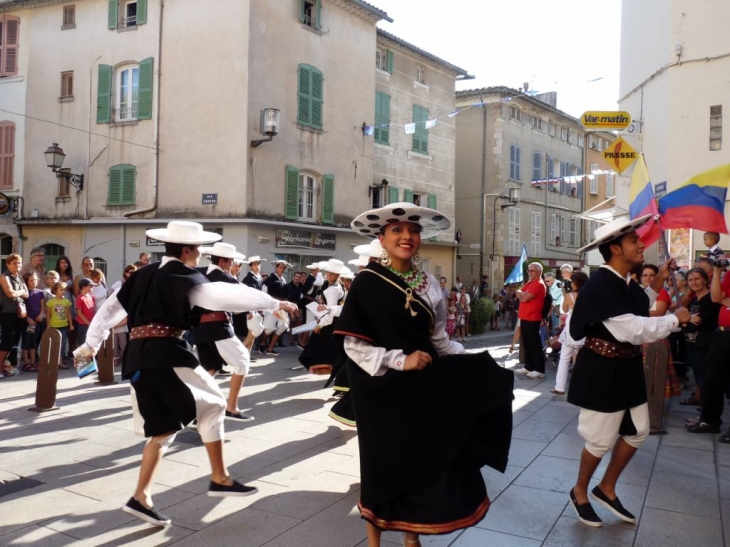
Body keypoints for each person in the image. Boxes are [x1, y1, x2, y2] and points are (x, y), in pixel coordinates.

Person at [74, 221, 298, 527]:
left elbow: (109, 312)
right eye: (199, 248)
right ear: (187, 249)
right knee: (215, 404)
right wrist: (274, 302)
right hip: (165, 352)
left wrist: (90, 346)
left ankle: (141, 497)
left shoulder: (141, 275)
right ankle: (220, 477)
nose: (201, 253)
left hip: (137, 359)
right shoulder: (183, 274)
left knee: (163, 430)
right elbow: (218, 295)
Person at [333, 202, 514, 546]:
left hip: (421, 387)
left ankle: (411, 537)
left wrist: (472, 362)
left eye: (413, 230)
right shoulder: (367, 282)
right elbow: (354, 346)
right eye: (397, 231)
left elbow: (438, 340)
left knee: (420, 459)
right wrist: (401, 361)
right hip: (381, 388)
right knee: (381, 464)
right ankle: (374, 542)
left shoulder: (430, 284)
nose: (406, 236)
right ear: (382, 239)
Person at [567, 215, 690, 528]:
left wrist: (660, 278)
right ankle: (580, 491)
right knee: (599, 440)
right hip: (602, 372)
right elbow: (634, 328)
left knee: (638, 432)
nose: (641, 243)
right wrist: (676, 319)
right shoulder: (600, 285)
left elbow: (638, 302)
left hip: (626, 368)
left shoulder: (622, 282)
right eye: (634, 240)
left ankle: (605, 487)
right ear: (615, 249)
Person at [193, 242, 256, 421]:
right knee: (243, 361)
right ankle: (232, 407)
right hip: (217, 325)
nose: (233, 264)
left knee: (209, 369)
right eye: (231, 261)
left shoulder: (200, 271)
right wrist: (275, 305)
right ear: (222, 261)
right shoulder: (224, 278)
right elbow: (247, 296)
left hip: (200, 328)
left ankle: (197, 413)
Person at [686, 254, 730, 437]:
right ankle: (710, 420)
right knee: (711, 380)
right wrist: (719, 271)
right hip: (721, 333)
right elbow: (716, 297)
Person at [679, 268, 720, 409]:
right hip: (692, 343)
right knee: (697, 375)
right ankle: (698, 397)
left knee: (705, 378)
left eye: (697, 278)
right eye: (690, 279)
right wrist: (686, 320)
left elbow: (696, 323)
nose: (694, 282)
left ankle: (706, 409)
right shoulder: (694, 300)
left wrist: (683, 322)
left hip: (705, 343)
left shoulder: (710, 299)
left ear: (705, 280)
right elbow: (686, 319)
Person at [299, 259, 346, 375]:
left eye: (332, 273)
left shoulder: (332, 290)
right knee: (331, 350)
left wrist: (320, 325)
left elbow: (329, 312)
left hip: (330, 324)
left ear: (338, 275)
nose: (329, 275)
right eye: (328, 272)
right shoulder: (338, 286)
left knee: (319, 349)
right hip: (335, 322)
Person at [551, 271, 588, 395]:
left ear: (575, 282)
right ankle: (581, 387)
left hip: (572, 326)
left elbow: (564, 309)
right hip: (586, 325)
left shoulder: (569, 296)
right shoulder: (590, 294)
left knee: (564, 358)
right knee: (584, 359)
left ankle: (560, 387)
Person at [514, 263, 547, 379]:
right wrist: (522, 294)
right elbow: (518, 292)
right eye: (528, 270)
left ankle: (539, 369)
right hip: (525, 317)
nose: (529, 272)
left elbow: (525, 297)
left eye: (531, 270)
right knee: (527, 343)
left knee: (535, 344)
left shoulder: (538, 284)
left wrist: (523, 295)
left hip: (533, 317)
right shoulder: (530, 283)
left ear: (538, 272)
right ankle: (529, 366)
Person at [260, 260, 292, 355]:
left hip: (282, 306)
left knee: (283, 325)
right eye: (280, 267)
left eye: (283, 268)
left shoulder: (284, 280)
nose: (281, 270)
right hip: (271, 305)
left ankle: (271, 347)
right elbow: (263, 293)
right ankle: (262, 343)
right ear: (276, 268)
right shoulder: (270, 279)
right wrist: (263, 307)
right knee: (269, 327)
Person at [110, 265, 136, 366]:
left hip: (131, 312)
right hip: (121, 311)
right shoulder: (119, 283)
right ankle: (117, 358)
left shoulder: (136, 282)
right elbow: (111, 296)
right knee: (118, 340)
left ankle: (127, 357)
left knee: (127, 338)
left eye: (134, 272)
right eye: (130, 272)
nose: (131, 274)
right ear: (125, 273)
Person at [46, 281, 74, 369]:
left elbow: (68, 313)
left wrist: (71, 324)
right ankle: (52, 361)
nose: (63, 291)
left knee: (63, 344)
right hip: (54, 326)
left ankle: (60, 361)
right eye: (61, 289)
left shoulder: (66, 301)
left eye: (64, 289)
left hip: (64, 326)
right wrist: (48, 325)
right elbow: (48, 314)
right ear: (55, 290)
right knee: (54, 344)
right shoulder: (51, 302)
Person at [21, 271, 44, 372]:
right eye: (31, 280)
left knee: (34, 342)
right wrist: (27, 318)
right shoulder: (24, 293)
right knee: (26, 341)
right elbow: (21, 307)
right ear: (26, 281)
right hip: (27, 321)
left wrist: (41, 315)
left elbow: (42, 305)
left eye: (35, 280)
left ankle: (33, 361)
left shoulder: (40, 292)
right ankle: (26, 362)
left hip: (37, 321)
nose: (33, 282)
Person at [74, 278, 96, 346]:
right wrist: (88, 323)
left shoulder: (91, 296)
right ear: (84, 287)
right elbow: (79, 313)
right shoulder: (80, 298)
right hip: (83, 325)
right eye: (90, 286)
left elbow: (93, 310)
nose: (92, 287)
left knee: (91, 342)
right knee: (83, 343)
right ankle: (82, 357)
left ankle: (90, 356)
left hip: (91, 323)